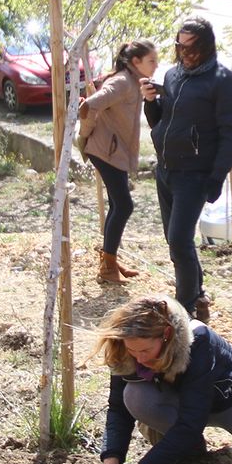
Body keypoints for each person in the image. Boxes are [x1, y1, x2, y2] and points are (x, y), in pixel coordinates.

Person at [80, 296, 232, 464]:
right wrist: (111, 460)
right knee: (134, 396)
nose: (139, 358)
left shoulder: (198, 341)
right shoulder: (126, 349)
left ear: (166, 334)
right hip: (181, 404)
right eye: (133, 351)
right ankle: (192, 455)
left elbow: (191, 422)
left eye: (145, 351)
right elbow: (118, 408)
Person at [141, 18, 232, 321]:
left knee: (180, 241)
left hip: (195, 174)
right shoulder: (173, 75)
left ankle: (183, 311)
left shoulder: (222, 81)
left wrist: (216, 177)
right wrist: (151, 102)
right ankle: (198, 296)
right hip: (166, 169)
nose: (185, 52)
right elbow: (161, 120)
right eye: (179, 46)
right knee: (175, 240)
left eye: (192, 46)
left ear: (207, 45)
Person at [80, 39, 159, 284]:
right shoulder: (123, 82)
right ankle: (107, 267)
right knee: (124, 206)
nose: (156, 65)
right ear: (136, 62)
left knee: (118, 205)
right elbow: (90, 105)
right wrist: (84, 137)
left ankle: (109, 259)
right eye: (152, 61)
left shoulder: (134, 81)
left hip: (114, 152)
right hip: (106, 151)